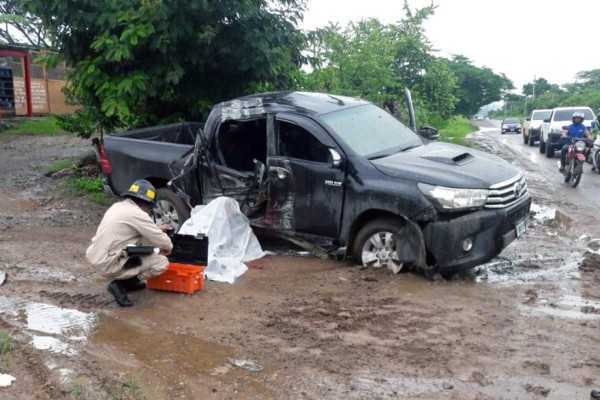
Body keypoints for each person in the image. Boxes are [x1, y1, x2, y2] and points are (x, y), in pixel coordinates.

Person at [85, 179, 173, 307]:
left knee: (140, 243)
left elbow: (130, 229)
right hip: (109, 263)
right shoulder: (138, 214)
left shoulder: (118, 207)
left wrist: (156, 229)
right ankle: (121, 285)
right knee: (161, 263)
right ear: (147, 203)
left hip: (96, 256)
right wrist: (168, 247)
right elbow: (164, 242)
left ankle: (128, 280)